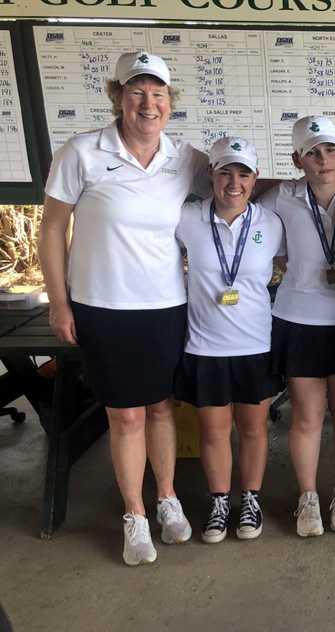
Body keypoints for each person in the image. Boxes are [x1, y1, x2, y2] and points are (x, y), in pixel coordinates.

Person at [39, 51, 209, 566]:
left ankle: (167, 499)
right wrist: (58, 302)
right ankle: (134, 514)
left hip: (164, 306)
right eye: (137, 92)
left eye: (158, 94)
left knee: (161, 406)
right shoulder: (83, 152)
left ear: (170, 103)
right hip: (102, 307)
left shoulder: (186, 159)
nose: (148, 103)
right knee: (125, 415)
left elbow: (236, 190)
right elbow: (52, 229)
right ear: (119, 97)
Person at [259, 116, 335, 537]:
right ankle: (307, 497)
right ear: (297, 159)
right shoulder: (281, 197)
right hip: (299, 319)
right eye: (312, 153)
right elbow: (244, 221)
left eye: (330, 150)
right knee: (306, 415)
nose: (323, 160)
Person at [174, 137, 284, 543]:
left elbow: (292, 263)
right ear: (211, 176)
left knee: (254, 429)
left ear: (255, 179)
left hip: (255, 345)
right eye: (225, 173)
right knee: (214, 432)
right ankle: (220, 501)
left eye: (243, 174)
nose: (234, 183)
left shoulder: (270, 224)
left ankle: (250, 499)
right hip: (204, 346)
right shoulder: (186, 218)